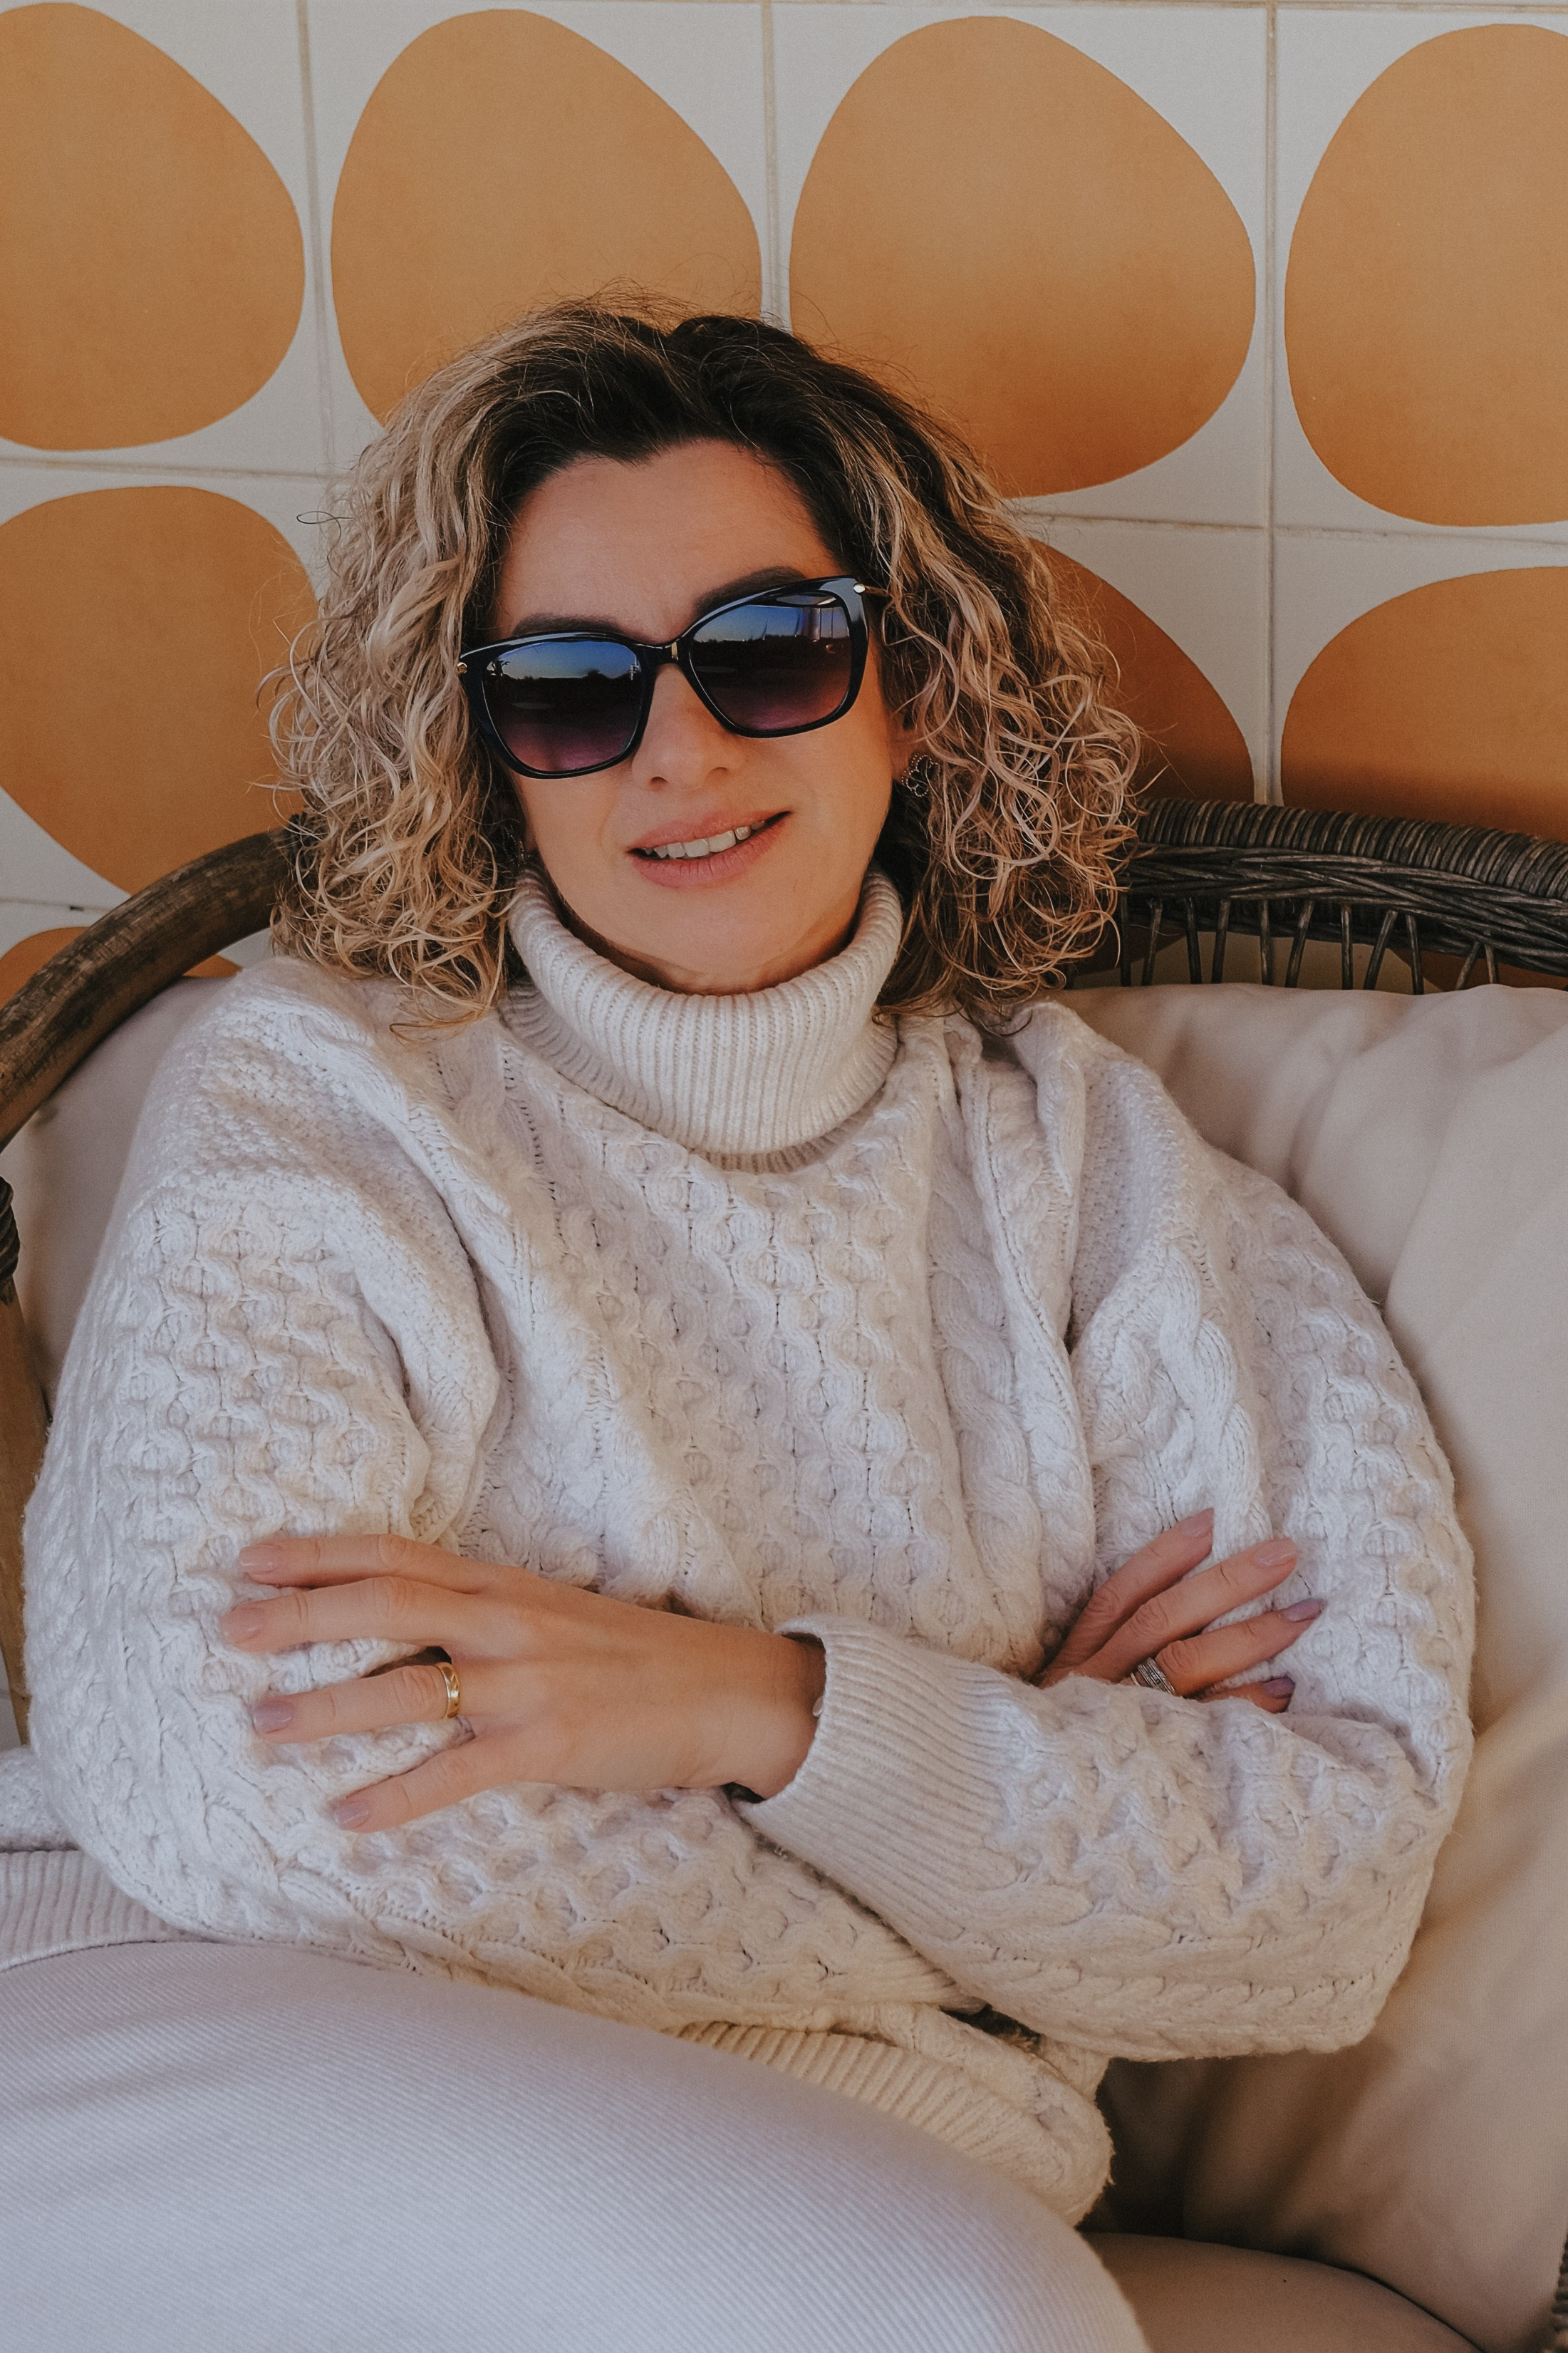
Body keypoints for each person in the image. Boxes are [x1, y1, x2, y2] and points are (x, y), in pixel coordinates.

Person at [18, 305, 1473, 2347]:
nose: (677, 752)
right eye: (566, 692)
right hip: (205, 2027)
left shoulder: (1103, 1190)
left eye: (771, 649)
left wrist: (766, 1710)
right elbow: (229, 1790)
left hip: (842, 2169)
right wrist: (987, 1840)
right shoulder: (319, 1096)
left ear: (915, 691)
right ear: (485, 753)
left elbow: (1311, 1916)